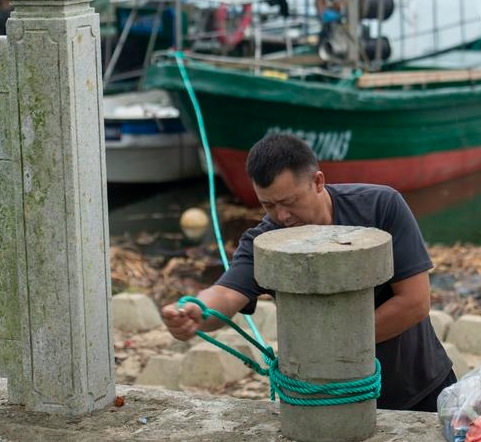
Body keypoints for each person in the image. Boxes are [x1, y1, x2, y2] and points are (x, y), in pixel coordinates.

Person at [161, 133, 456, 411]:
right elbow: (226, 294)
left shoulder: (380, 207)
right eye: (268, 205)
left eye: (289, 202)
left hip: (419, 387)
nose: (282, 216)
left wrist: (326, 345)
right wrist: (196, 312)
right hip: (324, 401)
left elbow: (414, 303)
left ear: (317, 181)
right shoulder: (264, 242)